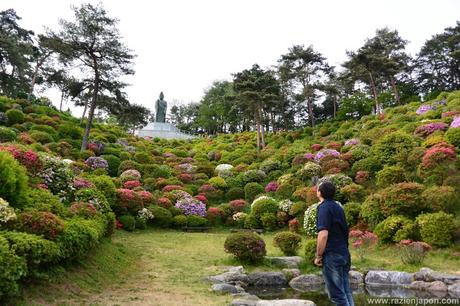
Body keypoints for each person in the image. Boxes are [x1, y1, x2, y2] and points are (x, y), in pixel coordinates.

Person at [314, 181, 354, 306]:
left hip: (332, 255)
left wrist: (319, 255)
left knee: (337, 296)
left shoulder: (323, 208)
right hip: (344, 253)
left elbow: (323, 234)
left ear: (320, 192)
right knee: (346, 292)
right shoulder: (338, 207)